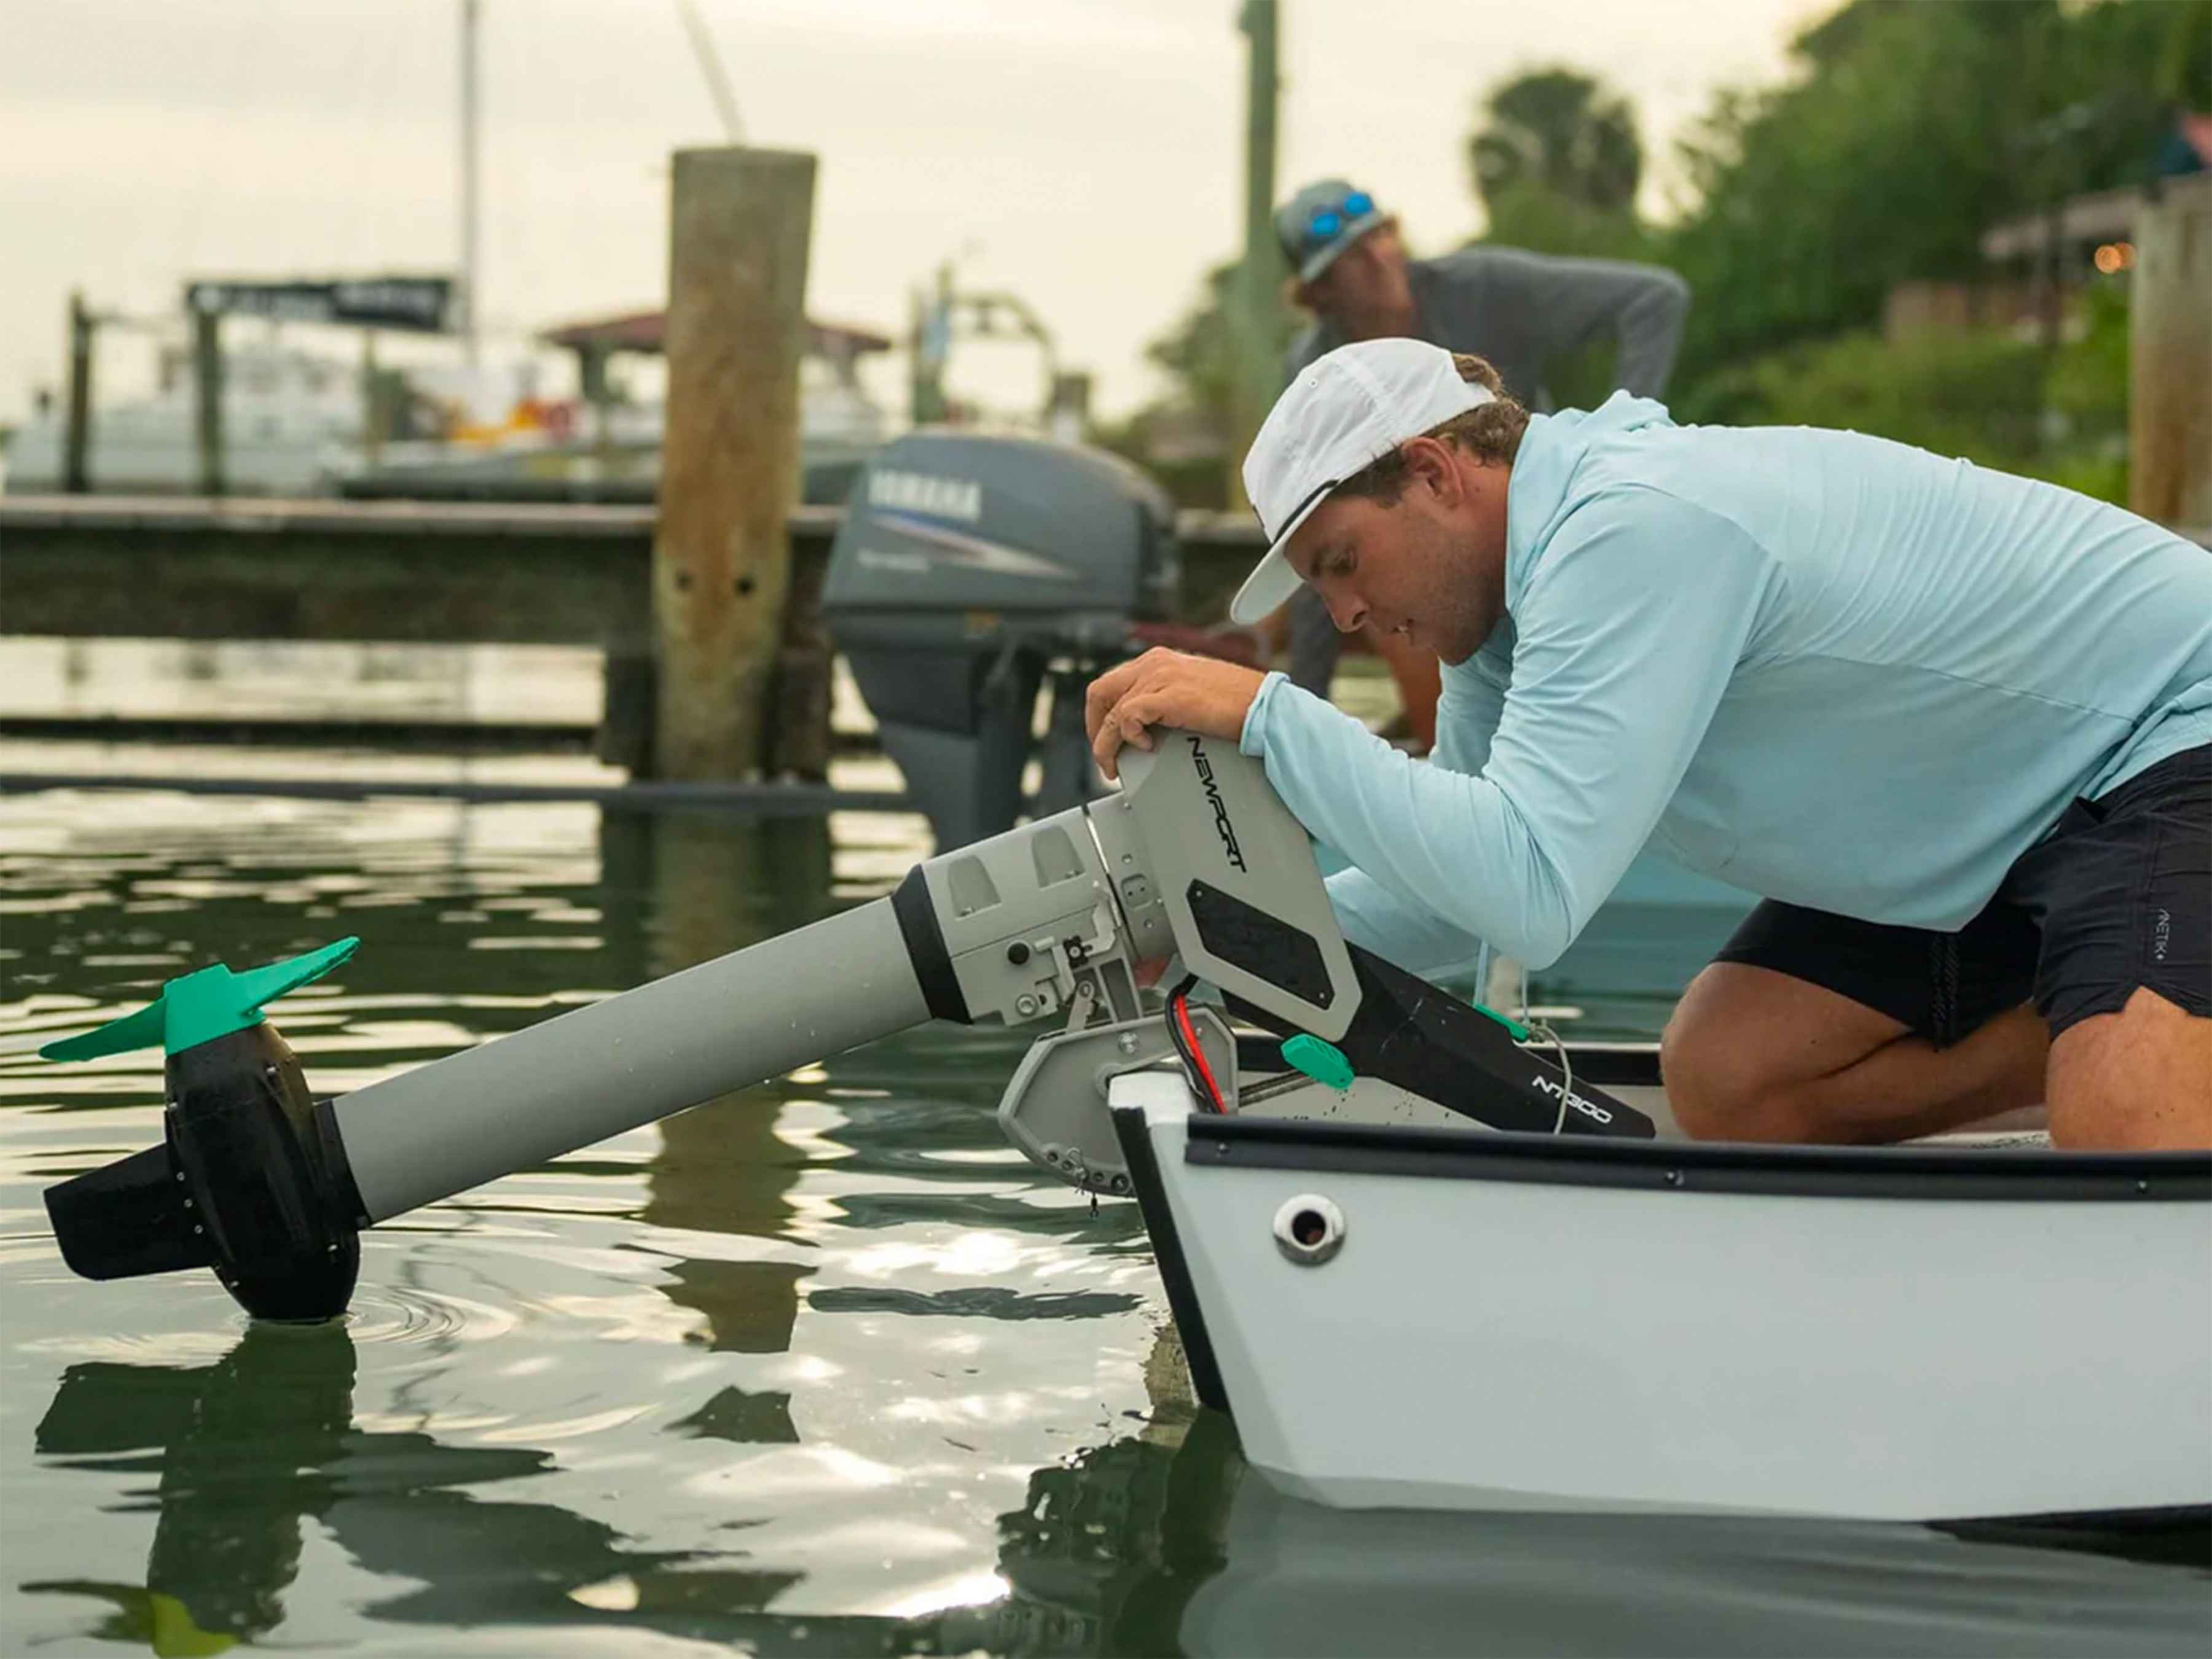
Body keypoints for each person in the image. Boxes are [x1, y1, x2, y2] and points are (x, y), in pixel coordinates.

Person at [1085, 338, 2211, 1151]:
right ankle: (2106, 1024)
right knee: (1733, 1082)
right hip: (2009, 814)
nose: (1342, 617)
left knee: (2132, 1135)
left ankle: (2135, 1055)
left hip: (2170, 729)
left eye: (1342, 562)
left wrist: (1270, 717)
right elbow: (1455, 891)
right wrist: (1213, 933)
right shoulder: (1507, 618)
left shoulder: (1629, 528)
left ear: (1434, 473)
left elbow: (1532, 893)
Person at [1272, 178, 1692, 747]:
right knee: (1380, 581)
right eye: (1352, 258)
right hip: (1433, 577)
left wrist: (1626, 440)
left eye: (1382, 238)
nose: (1379, 259)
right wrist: (1298, 727)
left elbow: (1654, 300)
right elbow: (1318, 545)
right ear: (1319, 292)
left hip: (1540, 541)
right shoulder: (1315, 377)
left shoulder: (1483, 287)